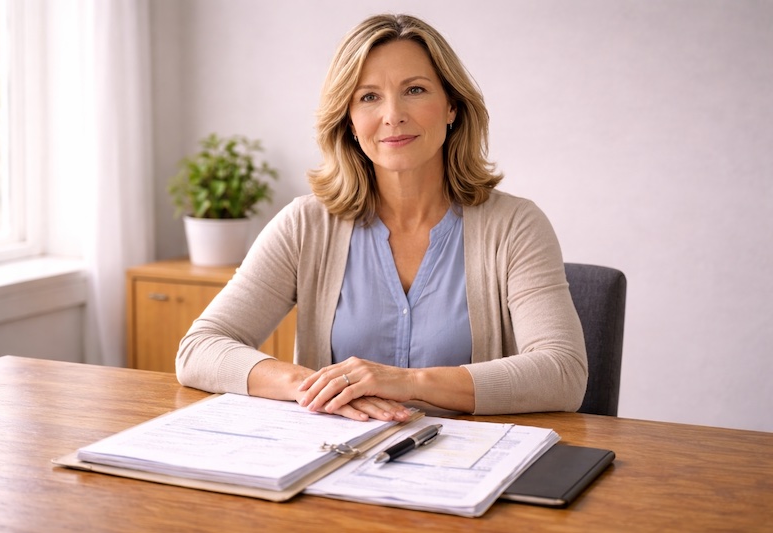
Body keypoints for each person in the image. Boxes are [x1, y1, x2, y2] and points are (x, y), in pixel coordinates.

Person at [176, 13, 587, 422]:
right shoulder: (305, 225)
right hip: (340, 452)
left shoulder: (515, 226)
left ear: (452, 107)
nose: (393, 115)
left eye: (415, 90)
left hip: (470, 455)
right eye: (369, 97)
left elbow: (563, 373)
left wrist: (406, 382)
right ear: (350, 121)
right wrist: (316, 386)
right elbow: (199, 349)